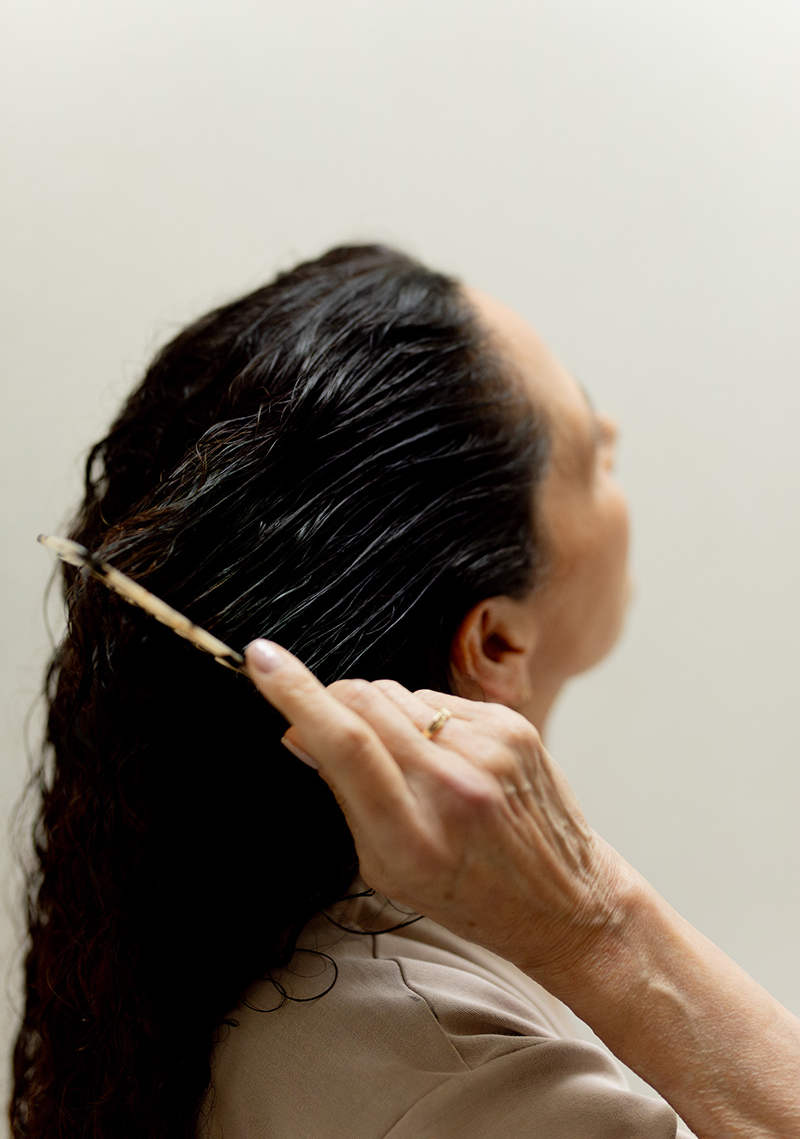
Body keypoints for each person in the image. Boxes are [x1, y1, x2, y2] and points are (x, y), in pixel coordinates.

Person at [10, 245, 799, 1139]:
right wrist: (598, 921)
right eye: (586, 454)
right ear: (496, 641)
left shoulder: (235, 949)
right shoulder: (463, 1088)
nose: (611, 431)